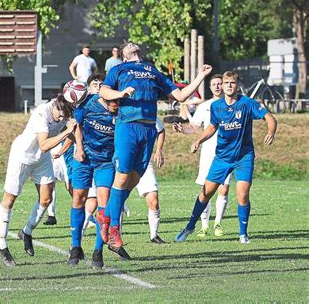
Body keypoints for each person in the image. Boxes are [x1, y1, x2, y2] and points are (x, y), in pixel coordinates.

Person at [98, 41, 212, 254]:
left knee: (134, 179)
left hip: (149, 129)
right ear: (124, 55)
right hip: (128, 126)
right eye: (127, 45)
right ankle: (114, 229)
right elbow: (104, 91)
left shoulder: (152, 70)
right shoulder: (119, 69)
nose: (131, 43)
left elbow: (179, 95)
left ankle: (104, 214)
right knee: (122, 177)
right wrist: (120, 94)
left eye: (134, 43)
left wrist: (200, 76)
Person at [175, 71, 277, 244]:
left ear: (237, 85)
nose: (229, 85)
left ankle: (243, 234)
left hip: (244, 156)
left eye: (233, 82)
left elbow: (270, 117)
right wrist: (198, 140)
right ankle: (190, 226)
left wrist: (271, 131)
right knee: (205, 193)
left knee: (242, 195)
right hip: (222, 157)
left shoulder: (247, 103)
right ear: (221, 85)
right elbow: (212, 127)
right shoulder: (216, 107)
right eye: (226, 82)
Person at [0, 94, 76, 267]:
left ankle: (26, 232)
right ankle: (2, 244)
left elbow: (73, 133)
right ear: (55, 104)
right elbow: (44, 144)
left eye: (64, 116)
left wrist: (68, 146)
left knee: (46, 198)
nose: (61, 118)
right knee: (10, 199)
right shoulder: (42, 112)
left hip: (42, 159)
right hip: (23, 156)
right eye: (59, 115)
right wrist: (67, 131)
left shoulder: (67, 113)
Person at [173, 74, 232, 237]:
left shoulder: (232, 105)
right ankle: (204, 226)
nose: (217, 86)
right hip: (208, 153)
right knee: (205, 189)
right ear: (210, 87)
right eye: (214, 84)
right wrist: (182, 129)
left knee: (223, 188)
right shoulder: (205, 106)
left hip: (226, 153)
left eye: (220, 83)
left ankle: (218, 224)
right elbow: (193, 126)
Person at [68, 84, 120, 269]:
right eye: (113, 101)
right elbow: (76, 127)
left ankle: (98, 251)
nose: (116, 104)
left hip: (105, 162)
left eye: (118, 100)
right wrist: (79, 148)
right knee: (78, 198)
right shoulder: (89, 104)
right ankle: (76, 246)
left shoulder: (123, 111)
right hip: (84, 158)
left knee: (103, 202)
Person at [135, 118, 166, 244]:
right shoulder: (121, 114)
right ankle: (115, 237)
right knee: (118, 202)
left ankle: (154, 235)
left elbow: (161, 130)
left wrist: (158, 150)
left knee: (153, 200)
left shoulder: (148, 115)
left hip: (144, 162)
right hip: (123, 162)